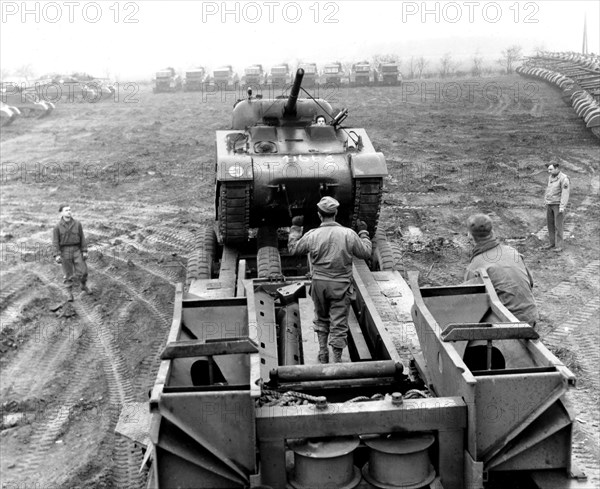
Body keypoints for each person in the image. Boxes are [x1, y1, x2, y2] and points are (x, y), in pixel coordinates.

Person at [288, 196, 372, 363]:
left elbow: (293, 249)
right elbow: (366, 253)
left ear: (319, 215)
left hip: (319, 284)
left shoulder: (312, 235)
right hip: (341, 285)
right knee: (339, 322)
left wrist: (296, 228)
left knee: (321, 318)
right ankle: (338, 358)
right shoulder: (349, 234)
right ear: (336, 213)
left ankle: (322, 352)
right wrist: (363, 232)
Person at [464, 214, 539, 327]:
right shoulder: (512, 252)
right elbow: (530, 283)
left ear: (470, 236)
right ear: (492, 231)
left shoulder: (474, 267)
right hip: (530, 318)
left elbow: (471, 305)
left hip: (506, 329)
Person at [53, 204, 90, 301]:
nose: (69, 212)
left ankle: (83, 285)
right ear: (61, 212)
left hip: (77, 249)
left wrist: (84, 251)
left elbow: (82, 237)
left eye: (69, 210)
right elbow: (55, 242)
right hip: (65, 251)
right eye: (66, 210)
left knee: (83, 271)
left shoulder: (77, 224)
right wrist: (57, 255)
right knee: (68, 274)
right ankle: (69, 293)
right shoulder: (57, 227)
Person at [544, 162, 570, 252]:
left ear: (557, 168)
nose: (549, 171)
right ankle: (552, 243)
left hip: (558, 205)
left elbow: (565, 193)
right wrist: (546, 201)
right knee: (550, 225)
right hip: (549, 204)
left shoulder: (564, 179)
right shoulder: (551, 177)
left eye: (551, 169)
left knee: (558, 226)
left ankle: (559, 246)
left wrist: (562, 206)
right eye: (548, 169)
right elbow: (548, 189)